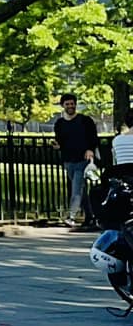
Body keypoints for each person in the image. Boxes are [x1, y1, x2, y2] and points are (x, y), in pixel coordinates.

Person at [54, 92, 100, 226]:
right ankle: (91, 216)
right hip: (68, 161)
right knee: (81, 189)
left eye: (72, 104)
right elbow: (60, 141)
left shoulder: (85, 120)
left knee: (76, 189)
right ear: (63, 105)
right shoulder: (60, 123)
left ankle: (72, 216)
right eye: (67, 104)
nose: (70, 106)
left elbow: (93, 137)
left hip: (83, 160)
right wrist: (57, 146)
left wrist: (90, 149)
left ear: (75, 104)